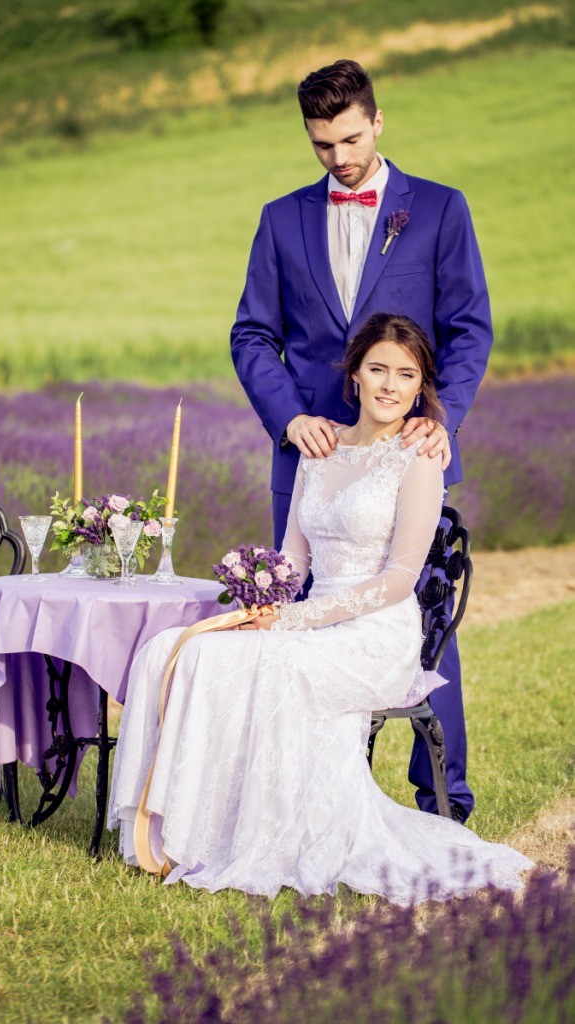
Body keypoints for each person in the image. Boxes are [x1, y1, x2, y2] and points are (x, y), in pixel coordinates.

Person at [109, 314, 531, 902]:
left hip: (376, 632)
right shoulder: (320, 450)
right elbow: (294, 561)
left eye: (406, 375)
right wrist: (262, 598)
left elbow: (398, 581)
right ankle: (186, 830)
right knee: (176, 650)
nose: (390, 385)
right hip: (314, 618)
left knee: (279, 664)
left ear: (420, 387)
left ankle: (272, 837)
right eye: (378, 369)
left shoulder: (417, 458)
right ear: (354, 374)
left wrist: (295, 619)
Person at [230, 59, 493, 824]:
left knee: (425, 627)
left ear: (377, 122)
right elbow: (251, 335)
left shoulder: (438, 209)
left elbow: (468, 328)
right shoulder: (280, 219)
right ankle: (304, 805)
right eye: (321, 144)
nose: (338, 157)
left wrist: (440, 418)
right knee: (294, 623)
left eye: (350, 139)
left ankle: (442, 802)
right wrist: (289, 417)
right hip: (312, 459)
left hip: (406, 456)